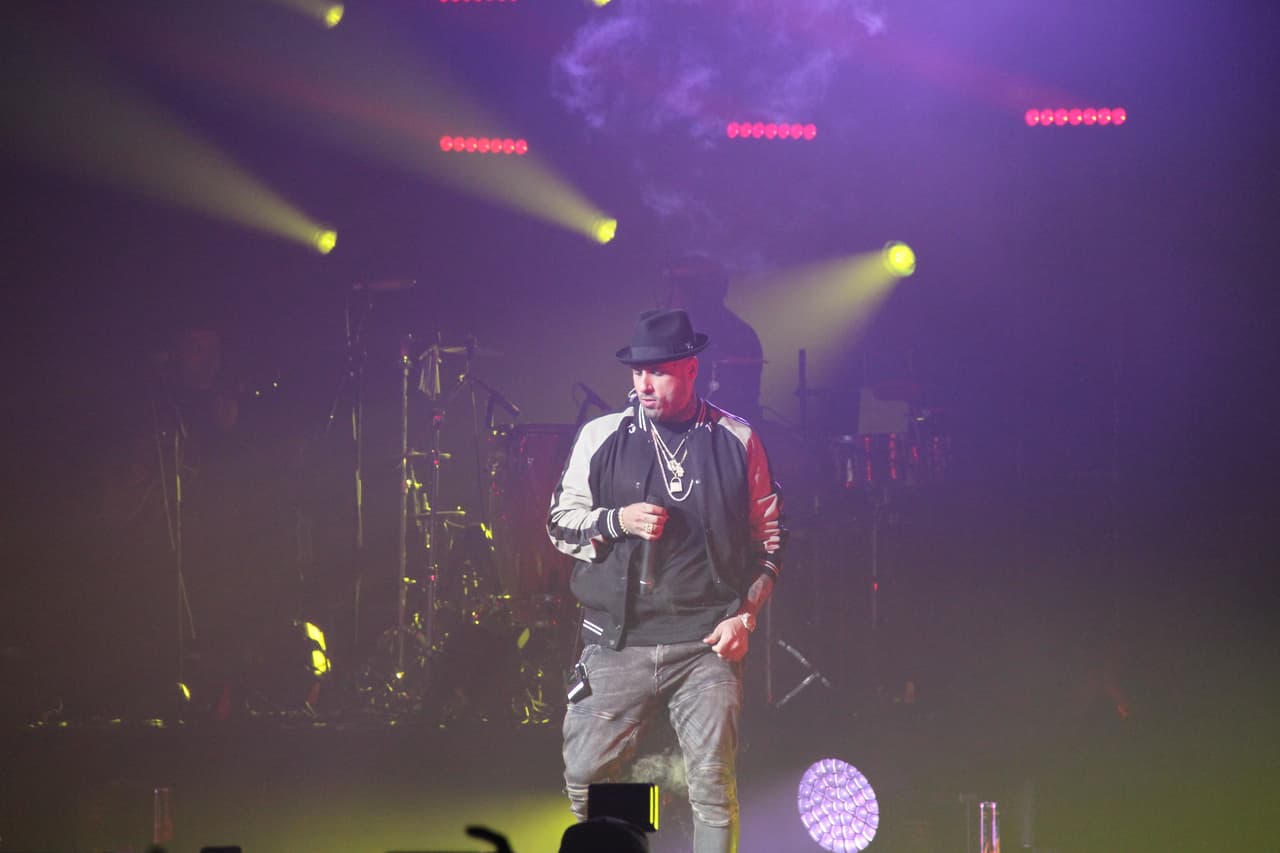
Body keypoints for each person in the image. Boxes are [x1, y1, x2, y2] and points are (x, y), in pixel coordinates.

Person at [547, 309, 785, 853]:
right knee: (586, 777)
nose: (644, 384)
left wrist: (745, 617)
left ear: (691, 368)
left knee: (712, 785)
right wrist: (616, 520)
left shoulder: (736, 438)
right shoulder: (602, 435)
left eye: (657, 371)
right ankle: (640, 832)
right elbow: (558, 523)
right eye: (637, 372)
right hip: (618, 640)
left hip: (705, 641)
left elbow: (769, 539)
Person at [663, 255, 764, 424]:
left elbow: (739, 400)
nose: (671, 296)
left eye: (681, 286)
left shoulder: (739, 336)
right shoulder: (676, 332)